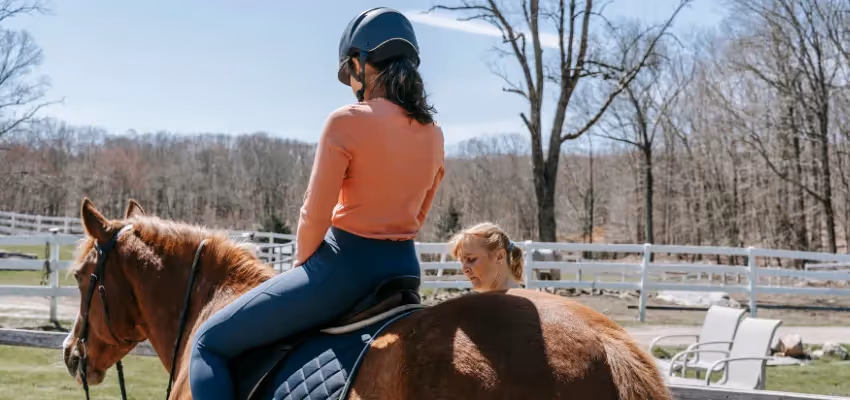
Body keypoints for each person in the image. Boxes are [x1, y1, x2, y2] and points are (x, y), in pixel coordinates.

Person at [188, 7, 445, 399]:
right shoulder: (434, 133)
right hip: (404, 271)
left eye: (350, 72)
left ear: (361, 62)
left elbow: (314, 214)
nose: (351, 84)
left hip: (342, 271)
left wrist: (301, 272)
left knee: (208, 344)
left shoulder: (346, 121)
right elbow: (420, 212)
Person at [447, 222, 525, 292]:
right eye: (462, 262)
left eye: (471, 259)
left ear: (499, 256)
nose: (464, 269)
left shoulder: (519, 301)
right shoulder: (490, 301)